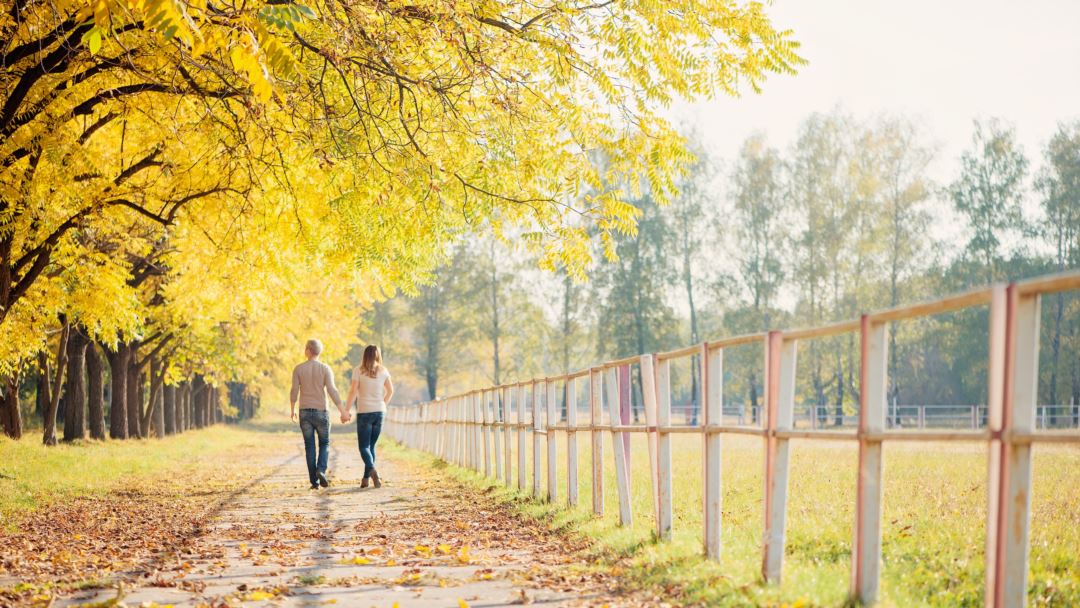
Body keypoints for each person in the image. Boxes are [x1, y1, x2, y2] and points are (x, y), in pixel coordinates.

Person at [290, 339, 348, 490]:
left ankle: (314, 482)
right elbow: (332, 390)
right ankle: (321, 470)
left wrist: (292, 409)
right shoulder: (325, 368)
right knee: (325, 444)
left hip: (304, 413)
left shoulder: (298, 369)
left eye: (305, 348)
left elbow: (294, 390)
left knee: (309, 447)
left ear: (308, 350)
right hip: (322, 412)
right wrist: (342, 411)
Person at [343, 345, 394, 488]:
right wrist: (382, 404)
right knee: (371, 446)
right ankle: (366, 479)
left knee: (364, 447)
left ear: (365, 355)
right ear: (378, 355)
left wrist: (347, 409)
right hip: (379, 412)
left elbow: (353, 391)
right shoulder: (384, 371)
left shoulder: (358, 371)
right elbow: (390, 391)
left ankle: (372, 470)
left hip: (364, 412)